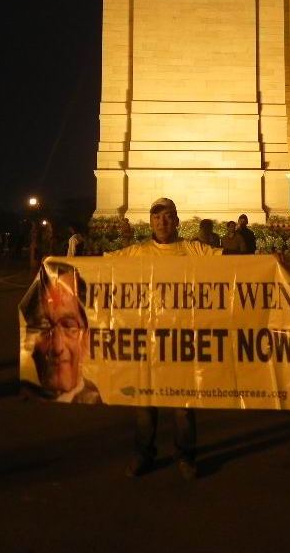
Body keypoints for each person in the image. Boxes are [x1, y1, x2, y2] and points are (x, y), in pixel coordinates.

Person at [107, 197, 223, 480]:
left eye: (168, 216)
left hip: (182, 341)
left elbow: (234, 266)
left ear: (177, 221)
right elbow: (96, 269)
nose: (162, 222)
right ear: (150, 222)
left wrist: (269, 261)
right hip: (147, 342)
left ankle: (185, 456)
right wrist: (56, 266)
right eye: (157, 217)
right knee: (144, 406)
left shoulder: (194, 250)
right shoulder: (136, 253)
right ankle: (143, 453)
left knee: (183, 407)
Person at [20, 262, 102, 404]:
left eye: (69, 327)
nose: (58, 347)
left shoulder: (93, 399)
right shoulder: (27, 395)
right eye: (44, 326)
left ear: (86, 338)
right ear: (28, 337)